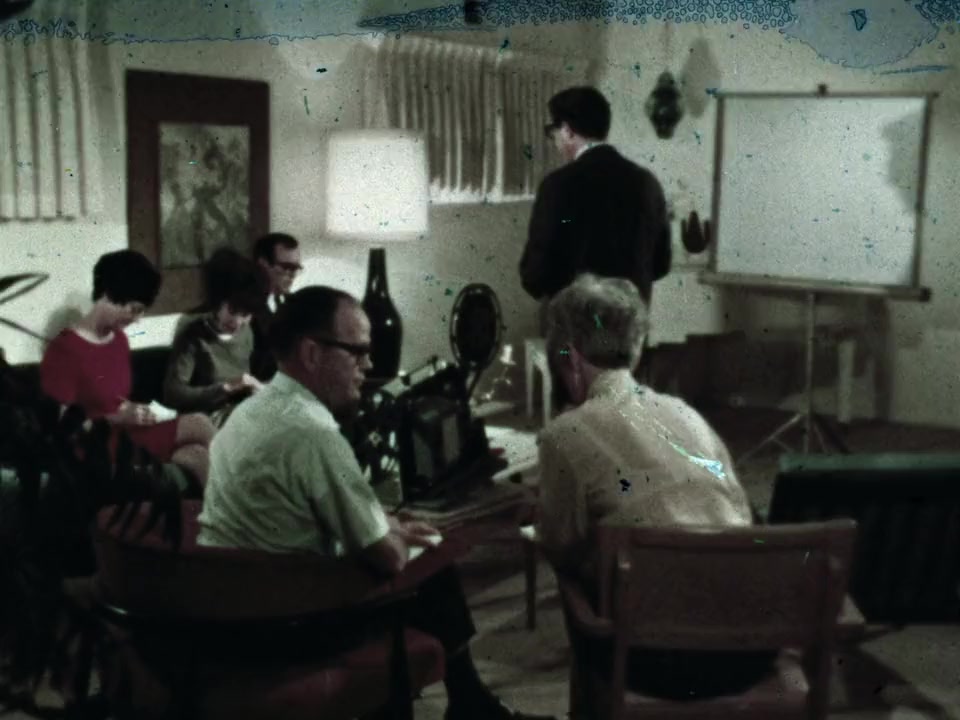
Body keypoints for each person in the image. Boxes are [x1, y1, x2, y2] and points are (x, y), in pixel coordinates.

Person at [198, 286, 552, 720]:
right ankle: (470, 705)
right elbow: (387, 556)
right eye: (358, 352)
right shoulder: (313, 434)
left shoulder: (249, 413)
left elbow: (313, 510)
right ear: (312, 353)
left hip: (240, 613)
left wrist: (389, 524)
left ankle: (471, 703)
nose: (368, 365)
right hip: (293, 628)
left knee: (416, 551)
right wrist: (401, 538)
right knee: (431, 562)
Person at [536, 273, 772, 701]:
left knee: (577, 580)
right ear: (637, 346)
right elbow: (738, 508)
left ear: (569, 357)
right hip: (749, 651)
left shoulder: (564, 435)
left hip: (654, 661)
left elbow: (559, 545)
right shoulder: (686, 414)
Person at [40, 250, 215, 490]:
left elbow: (114, 400)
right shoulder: (65, 349)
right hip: (96, 447)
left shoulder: (119, 341)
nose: (138, 319)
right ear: (108, 295)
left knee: (197, 456)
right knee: (199, 424)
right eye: (134, 309)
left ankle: (227, 511)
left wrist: (133, 410)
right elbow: (62, 429)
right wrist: (116, 418)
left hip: (127, 434)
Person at [519, 86, 672, 319]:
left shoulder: (557, 185)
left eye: (553, 132)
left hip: (573, 327)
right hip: (630, 327)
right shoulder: (647, 183)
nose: (555, 141)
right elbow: (661, 264)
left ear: (567, 130)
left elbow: (535, 274)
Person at [163, 248, 267, 428]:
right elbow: (173, 394)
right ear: (217, 301)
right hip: (206, 419)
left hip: (241, 413)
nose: (238, 322)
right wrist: (225, 388)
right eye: (232, 311)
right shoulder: (193, 331)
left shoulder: (247, 331)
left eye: (246, 314)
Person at [249, 232, 302, 381]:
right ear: (263, 264)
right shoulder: (245, 308)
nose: (292, 275)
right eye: (286, 267)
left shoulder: (294, 304)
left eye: (296, 268)